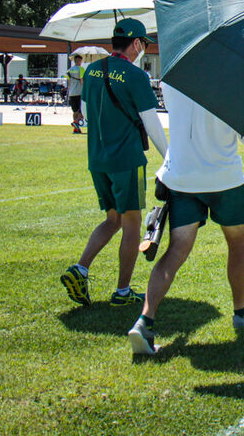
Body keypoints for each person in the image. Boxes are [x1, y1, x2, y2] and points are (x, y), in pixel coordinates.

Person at [127, 83, 244, 355]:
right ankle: (240, 313)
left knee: (175, 251)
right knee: (238, 245)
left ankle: (145, 321)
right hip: (225, 179)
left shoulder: (174, 79)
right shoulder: (236, 83)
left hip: (182, 178)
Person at [61, 19, 169, 307]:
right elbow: (151, 123)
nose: (144, 48)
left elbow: (85, 112)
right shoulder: (136, 76)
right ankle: (122, 291)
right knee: (131, 224)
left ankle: (80, 268)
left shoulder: (92, 70)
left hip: (98, 158)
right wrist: (170, 159)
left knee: (113, 220)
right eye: (143, 43)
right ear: (135, 43)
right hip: (126, 159)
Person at [67, 55, 86, 133]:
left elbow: (69, 83)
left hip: (72, 92)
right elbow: (82, 81)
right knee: (82, 111)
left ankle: (76, 128)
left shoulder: (69, 70)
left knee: (75, 111)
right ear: (79, 61)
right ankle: (76, 122)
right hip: (79, 92)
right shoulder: (81, 69)